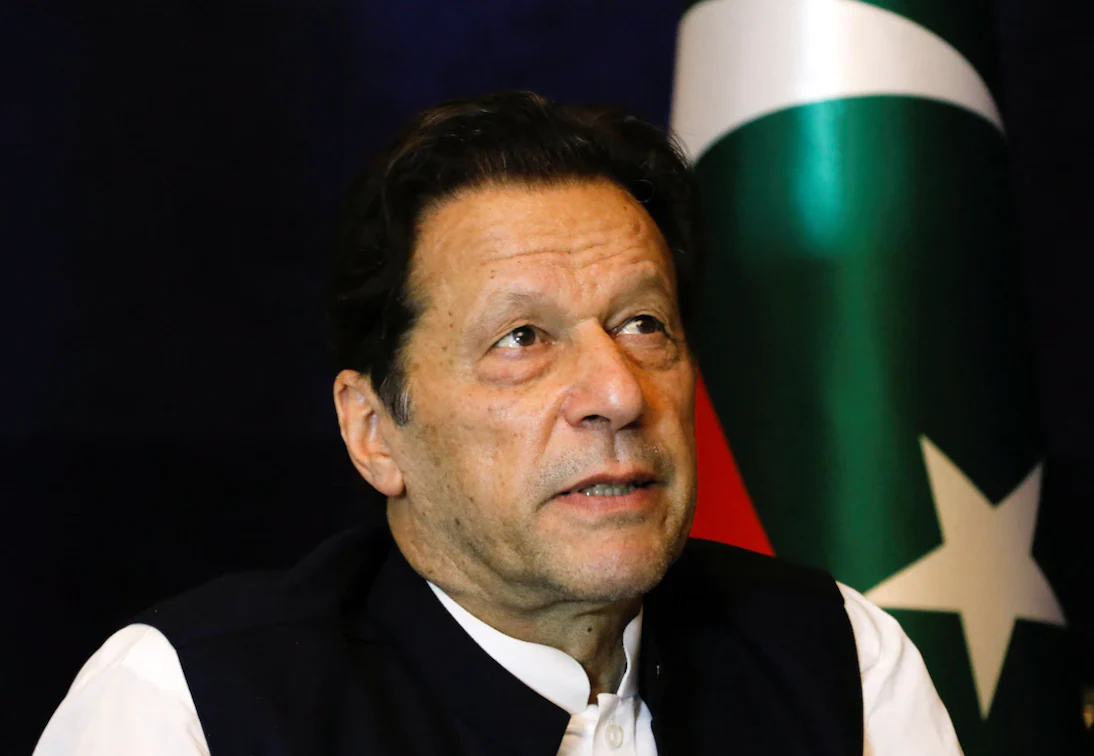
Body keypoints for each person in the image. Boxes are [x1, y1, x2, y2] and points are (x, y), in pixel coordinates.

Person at [33, 91, 961, 756]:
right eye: (522, 339)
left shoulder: (838, 657)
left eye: (644, 324)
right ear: (374, 432)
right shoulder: (189, 708)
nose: (618, 393)